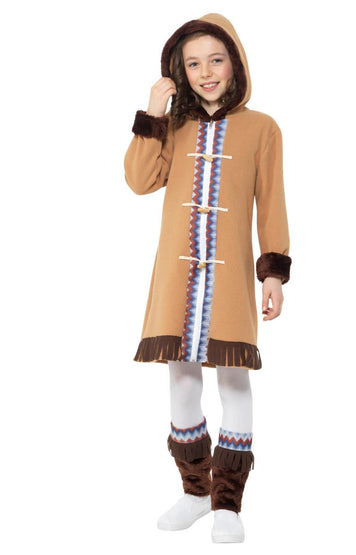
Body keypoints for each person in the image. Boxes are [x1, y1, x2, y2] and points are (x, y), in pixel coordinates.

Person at [123, 13, 292, 543]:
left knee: (234, 379)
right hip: (176, 277)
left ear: (235, 63)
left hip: (231, 278)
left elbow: (272, 204)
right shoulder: (173, 126)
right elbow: (139, 180)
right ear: (180, 71)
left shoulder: (263, 128)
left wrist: (273, 272)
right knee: (181, 377)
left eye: (216, 60)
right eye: (193, 64)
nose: (206, 72)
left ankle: (227, 503)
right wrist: (153, 113)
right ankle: (195, 491)